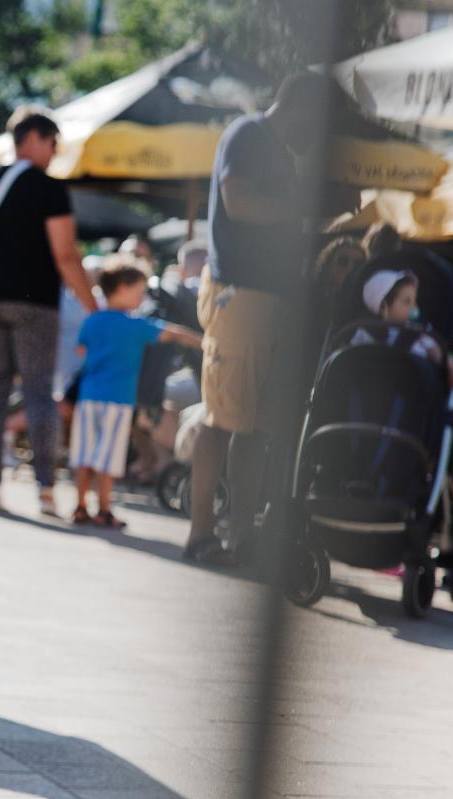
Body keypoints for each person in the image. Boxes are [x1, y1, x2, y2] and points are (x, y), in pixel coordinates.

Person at [185, 72, 325, 566]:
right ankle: (200, 534)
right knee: (222, 418)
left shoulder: (276, 149)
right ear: (301, 106)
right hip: (240, 294)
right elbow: (238, 202)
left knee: (250, 427)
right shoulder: (248, 134)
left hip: (266, 298)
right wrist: (304, 207)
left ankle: (241, 538)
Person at [0, 106, 98, 518]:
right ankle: (46, 490)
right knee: (38, 392)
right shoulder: (49, 189)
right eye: (53, 143)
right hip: (36, 303)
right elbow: (65, 254)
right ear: (33, 138)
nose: (54, 152)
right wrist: (93, 306)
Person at [71, 257, 201, 528]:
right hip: (117, 399)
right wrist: (204, 342)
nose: (142, 298)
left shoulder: (93, 321)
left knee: (84, 454)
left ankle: (80, 505)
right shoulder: (134, 325)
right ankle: (104, 509)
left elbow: (81, 350)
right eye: (139, 291)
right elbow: (173, 334)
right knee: (108, 457)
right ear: (122, 288)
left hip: (88, 397)